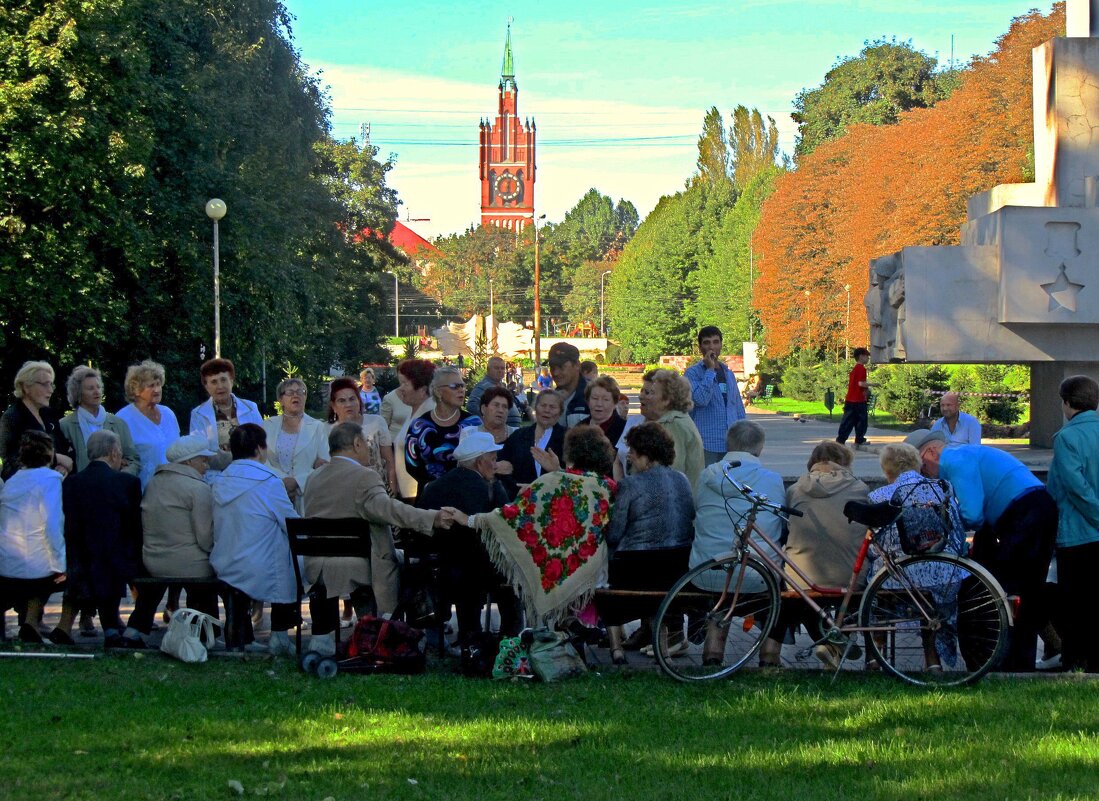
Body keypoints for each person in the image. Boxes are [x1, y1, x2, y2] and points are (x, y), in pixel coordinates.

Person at [301, 422, 460, 656]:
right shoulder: (364, 477)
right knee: (415, 565)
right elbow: (388, 510)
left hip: (318, 565)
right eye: (365, 443)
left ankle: (371, 626)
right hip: (359, 565)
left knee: (398, 559)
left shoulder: (313, 478)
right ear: (356, 444)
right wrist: (432, 518)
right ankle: (407, 632)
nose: (367, 449)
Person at [904, 428, 1057, 670]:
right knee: (1021, 588)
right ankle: (1030, 653)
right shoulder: (963, 454)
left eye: (922, 466)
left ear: (931, 451)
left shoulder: (955, 459)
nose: (925, 474)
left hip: (1026, 514)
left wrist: (944, 533)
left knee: (1015, 591)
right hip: (1028, 510)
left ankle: (1017, 663)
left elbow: (972, 514)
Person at [472, 425, 617, 624]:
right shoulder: (608, 487)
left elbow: (514, 515)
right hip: (594, 573)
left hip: (552, 569)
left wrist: (472, 519)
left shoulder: (550, 481)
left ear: (570, 453)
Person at [765, 441, 871, 669]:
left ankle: (770, 653)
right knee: (849, 596)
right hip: (849, 578)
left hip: (802, 578)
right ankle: (833, 645)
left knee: (794, 589)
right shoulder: (859, 488)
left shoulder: (795, 490)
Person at [601, 422, 696, 665]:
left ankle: (616, 647)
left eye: (632, 451)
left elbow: (614, 534)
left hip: (637, 569)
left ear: (645, 453)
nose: (629, 456)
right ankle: (661, 643)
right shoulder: (682, 479)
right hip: (678, 568)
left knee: (604, 571)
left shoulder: (630, 485)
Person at [868, 442, 967, 671]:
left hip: (897, 580)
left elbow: (876, 548)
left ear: (887, 470)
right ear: (918, 464)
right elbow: (956, 534)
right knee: (930, 600)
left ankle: (874, 656)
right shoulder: (942, 489)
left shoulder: (878, 496)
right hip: (944, 576)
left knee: (876, 582)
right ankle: (933, 661)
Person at [417, 430, 520, 646]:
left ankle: (470, 636)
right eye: (493, 459)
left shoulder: (436, 485)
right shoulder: (484, 486)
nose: (496, 464)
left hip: (440, 565)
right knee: (511, 575)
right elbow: (506, 519)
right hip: (475, 567)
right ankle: (510, 639)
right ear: (479, 462)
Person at [210, 424, 299, 655]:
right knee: (290, 557)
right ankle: (279, 634)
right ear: (260, 449)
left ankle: (242, 635)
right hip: (259, 566)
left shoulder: (219, 481)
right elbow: (291, 523)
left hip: (225, 561)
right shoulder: (268, 481)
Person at [127, 434, 220, 645]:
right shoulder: (199, 489)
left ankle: (135, 629)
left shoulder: (153, 483)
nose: (207, 465)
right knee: (208, 576)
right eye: (203, 460)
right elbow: (205, 539)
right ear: (188, 462)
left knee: (154, 585)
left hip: (152, 561)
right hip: (189, 564)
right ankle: (207, 633)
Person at [56, 430, 143, 648]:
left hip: (80, 554)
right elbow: (134, 526)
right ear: (114, 453)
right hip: (117, 555)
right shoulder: (127, 482)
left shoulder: (72, 483)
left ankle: (109, 628)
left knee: (94, 563)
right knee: (113, 559)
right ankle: (112, 628)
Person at [1047, 375, 1099, 672]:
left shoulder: (1067, 437)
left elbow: (1074, 486)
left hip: (1078, 532)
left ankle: (1077, 659)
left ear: (1066, 403)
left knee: (1075, 601)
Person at [0, 431, 66, 643]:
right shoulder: (50, 480)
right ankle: (31, 622)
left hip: (6, 561)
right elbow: (52, 523)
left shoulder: (12, 481)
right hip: (34, 569)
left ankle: (30, 624)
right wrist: (60, 562)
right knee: (58, 573)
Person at [405, 366, 481, 496]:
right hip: (430, 496)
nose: (461, 390)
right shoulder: (419, 425)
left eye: (462, 386)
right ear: (438, 392)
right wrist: (433, 486)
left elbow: (482, 459)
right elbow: (411, 463)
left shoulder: (473, 422)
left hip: (466, 495)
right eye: (454, 386)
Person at [59, 365, 140, 478]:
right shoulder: (65, 425)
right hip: (82, 489)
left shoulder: (118, 423)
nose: (96, 391)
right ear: (78, 393)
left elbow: (133, 460)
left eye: (98, 387)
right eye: (90, 388)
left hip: (113, 488)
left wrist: (122, 475)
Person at [262, 378, 329, 512]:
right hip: (274, 492)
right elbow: (261, 460)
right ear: (280, 400)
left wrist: (297, 482)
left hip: (307, 496)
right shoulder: (267, 426)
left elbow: (325, 463)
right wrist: (283, 481)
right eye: (290, 392)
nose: (296, 395)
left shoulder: (318, 427)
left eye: (301, 392)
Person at [0, 361, 74, 482]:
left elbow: (67, 449)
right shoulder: (11, 418)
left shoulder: (49, 415)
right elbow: (12, 462)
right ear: (26, 387)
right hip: (27, 494)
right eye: (45, 384)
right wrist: (55, 459)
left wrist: (63, 466)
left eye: (51, 385)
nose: (50, 390)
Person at [684, 326, 747, 465]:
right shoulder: (692, 373)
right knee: (706, 483)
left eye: (715, 342)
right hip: (706, 443)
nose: (712, 346)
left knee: (728, 484)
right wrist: (710, 370)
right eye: (707, 343)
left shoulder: (728, 373)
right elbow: (701, 399)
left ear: (721, 345)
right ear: (700, 347)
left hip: (731, 443)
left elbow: (737, 407)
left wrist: (744, 436)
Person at [115, 360, 181, 491]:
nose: (157, 390)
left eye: (158, 384)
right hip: (142, 492)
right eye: (151, 386)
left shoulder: (168, 414)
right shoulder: (123, 419)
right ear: (136, 390)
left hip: (175, 490)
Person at [189, 357, 263, 474]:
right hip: (216, 478)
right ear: (206, 386)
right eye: (213, 382)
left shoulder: (251, 408)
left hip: (251, 473)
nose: (220, 386)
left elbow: (262, 442)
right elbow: (200, 452)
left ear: (232, 381)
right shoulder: (198, 414)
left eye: (223, 380)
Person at [327, 377, 396, 493]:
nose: (348, 404)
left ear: (359, 401)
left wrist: (393, 488)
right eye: (342, 401)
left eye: (352, 399)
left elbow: (389, 460)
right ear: (333, 406)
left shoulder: (377, 422)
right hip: (342, 492)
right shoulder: (326, 430)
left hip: (377, 489)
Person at [639, 368, 705, 488]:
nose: (648, 397)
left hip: (672, 500)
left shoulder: (674, 424)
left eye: (653, 393)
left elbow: (672, 467)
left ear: (666, 400)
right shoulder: (672, 420)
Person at [498, 389, 566, 498]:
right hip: (520, 499)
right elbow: (503, 468)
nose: (547, 410)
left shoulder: (568, 438)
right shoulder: (518, 436)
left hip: (555, 501)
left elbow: (577, 477)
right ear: (535, 407)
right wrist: (517, 489)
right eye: (543, 405)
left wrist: (558, 470)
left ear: (560, 412)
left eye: (552, 407)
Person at [391, 359, 436, 502]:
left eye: (405, 383)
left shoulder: (429, 416)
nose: (400, 389)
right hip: (407, 493)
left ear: (422, 389)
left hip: (418, 495)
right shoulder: (414, 412)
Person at [836, 348, 876, 449]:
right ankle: (859, 440)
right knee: (861, 421)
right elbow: (860, 383)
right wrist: (873, 384)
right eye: (867, 356)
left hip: (851, 399)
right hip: (857, 400)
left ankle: (841, 440)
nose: (868, 358)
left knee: (848, 420)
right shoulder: (861, 368)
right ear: (861, 356)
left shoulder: (855, 369)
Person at [467, 356, 522, 428]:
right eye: (496, 368)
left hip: (510, 430)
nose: (500, 370)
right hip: (496, 431)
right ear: (488, 370)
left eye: (502, 368)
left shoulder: (502, 386)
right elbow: (471, 405)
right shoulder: (483, 385)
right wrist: (490, 419)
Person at [547, 342, 590, 428]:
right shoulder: (550, 400)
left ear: (577, 365)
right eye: (552, 367)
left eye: (561, 367)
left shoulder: (593, 396)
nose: (555, 373)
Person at [581, 375, 628, 450]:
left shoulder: (625, 429)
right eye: (595, 398)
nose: (599, 404)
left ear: (615, 403)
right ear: (588, 401)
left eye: (606, 399)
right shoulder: (579, 427)